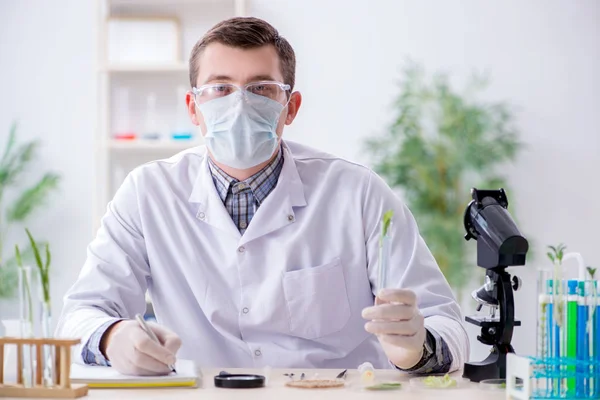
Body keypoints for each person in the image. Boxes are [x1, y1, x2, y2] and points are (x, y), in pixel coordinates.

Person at [56, 17, 468, 376]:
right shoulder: (147, 193)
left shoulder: (357, 193)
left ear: (290, 107)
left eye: (261, 89)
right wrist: (113, 336)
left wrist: (417, 349)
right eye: (219, 88)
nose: (239, 105)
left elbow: (445, 323)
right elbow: (78, 316)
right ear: (193, 108)